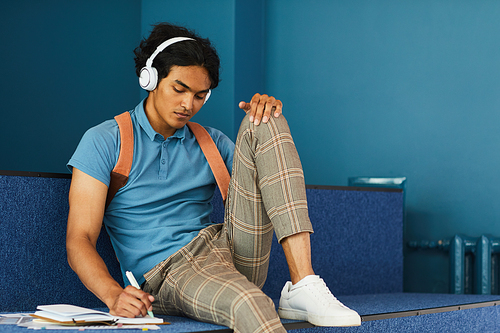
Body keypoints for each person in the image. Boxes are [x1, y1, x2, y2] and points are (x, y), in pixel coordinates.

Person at [66, 22, 361, 332]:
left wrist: (265, 112)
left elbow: (270, 185)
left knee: (264, 119)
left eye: (199, 96)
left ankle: (303, 283)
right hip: (169, 271)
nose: (187, 105)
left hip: (228, 249)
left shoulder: (211, 142)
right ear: (149, 78)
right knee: (251, 302)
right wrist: (113, 295)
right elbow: (79, 239)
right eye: (179, 89)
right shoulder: (104, 141)